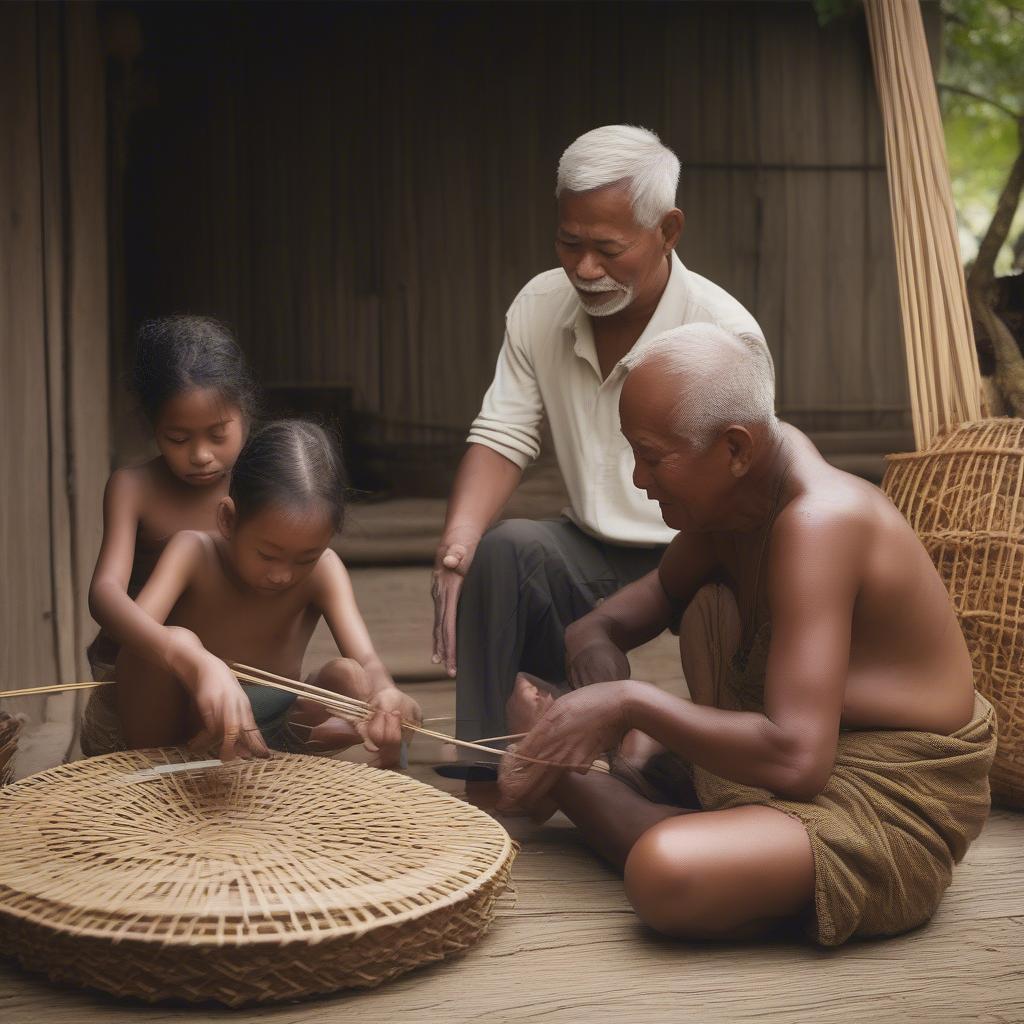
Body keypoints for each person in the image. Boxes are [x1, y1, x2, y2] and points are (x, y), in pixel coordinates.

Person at [498, 324, 996, 946]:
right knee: (709, 607)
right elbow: (623, 613)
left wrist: (626, 704)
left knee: (664, 870)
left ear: (735, 449)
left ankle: (617, 795)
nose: (638, 480)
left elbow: (796, 759)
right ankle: (666, 803)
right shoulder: (737, 494)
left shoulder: (819, 523)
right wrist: (595, 647)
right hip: (801, 744)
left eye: (652, 457)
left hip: (888, 790)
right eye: (633, 453)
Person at [431, 125, 767, 746]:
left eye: (608, 249)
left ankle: (691, 758)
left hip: (703, 552)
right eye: (568, 241)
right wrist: (457, 545)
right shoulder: (538, 305)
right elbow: (503, 433)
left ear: (667, 231)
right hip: (591, 547)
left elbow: (748, 493)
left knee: (723, 622)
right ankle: (491, 767)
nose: (585, 268)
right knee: (503, 551)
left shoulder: (725, 336)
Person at [81, 420, 422, 763]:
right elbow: (133, 637)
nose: (282, 575)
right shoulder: (193, 552)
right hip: (172, 730)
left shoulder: (325, 569)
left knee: (350, 677)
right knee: (161, 641)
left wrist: (387, 693)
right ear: (228, 519)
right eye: (267, 555)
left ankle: (283, 760)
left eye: (306, 557)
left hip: (268, 729)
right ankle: (173, 762)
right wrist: (194, 660)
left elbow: (367, 661)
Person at [87, 315, 257, 687]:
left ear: (244, 412)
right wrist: (169, 647)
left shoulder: (259, 487)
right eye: (178, 438)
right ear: (153, 425)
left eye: (217, 435)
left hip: (241, 666)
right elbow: (104, 592)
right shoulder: (134, 487)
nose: (200, 455)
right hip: (151, 665)